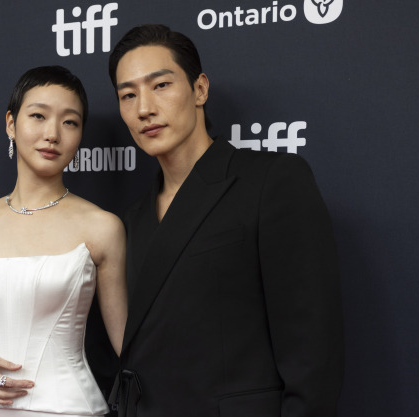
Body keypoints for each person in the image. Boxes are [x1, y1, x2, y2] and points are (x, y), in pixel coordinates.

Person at [107, 25, 344, 417]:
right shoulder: (131, 220)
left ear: (199, 89)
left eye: (160, 86)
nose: (144, 108)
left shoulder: (272, 181)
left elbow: (313, 354)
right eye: (128, 95)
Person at [0, 66, 127, 417]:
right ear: (11, 124)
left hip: (71, 408)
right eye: (38, 116)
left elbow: (127, 344)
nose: (52, 134)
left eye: (69, 122)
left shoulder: (102, 227)